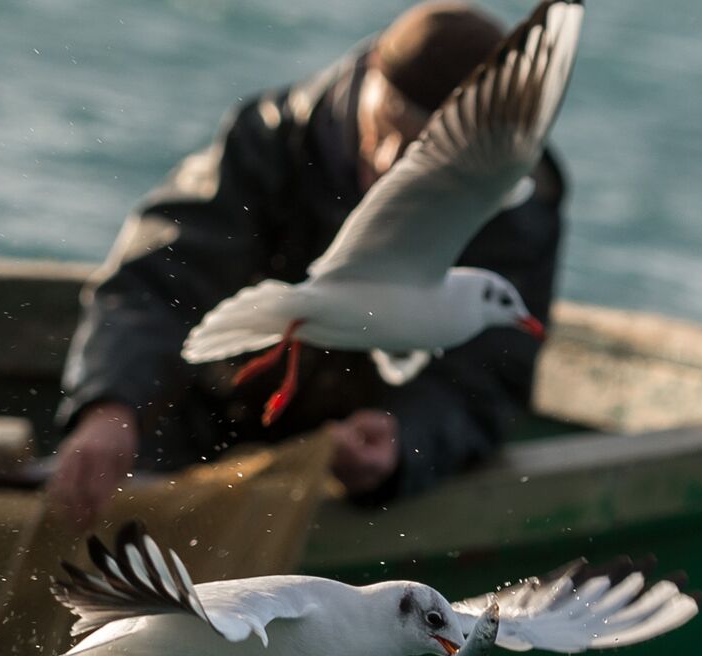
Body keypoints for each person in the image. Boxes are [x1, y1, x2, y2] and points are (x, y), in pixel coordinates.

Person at [48, 1, 567, 530]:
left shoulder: (515, 207)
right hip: (212, 422)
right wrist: (113, 402)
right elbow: (162, 275)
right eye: (385, 128)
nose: (391, 164)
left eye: (417, 150)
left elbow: (487, 374)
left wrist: (404, 439)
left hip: (355, 477)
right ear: (367, 75)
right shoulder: (276, 137)